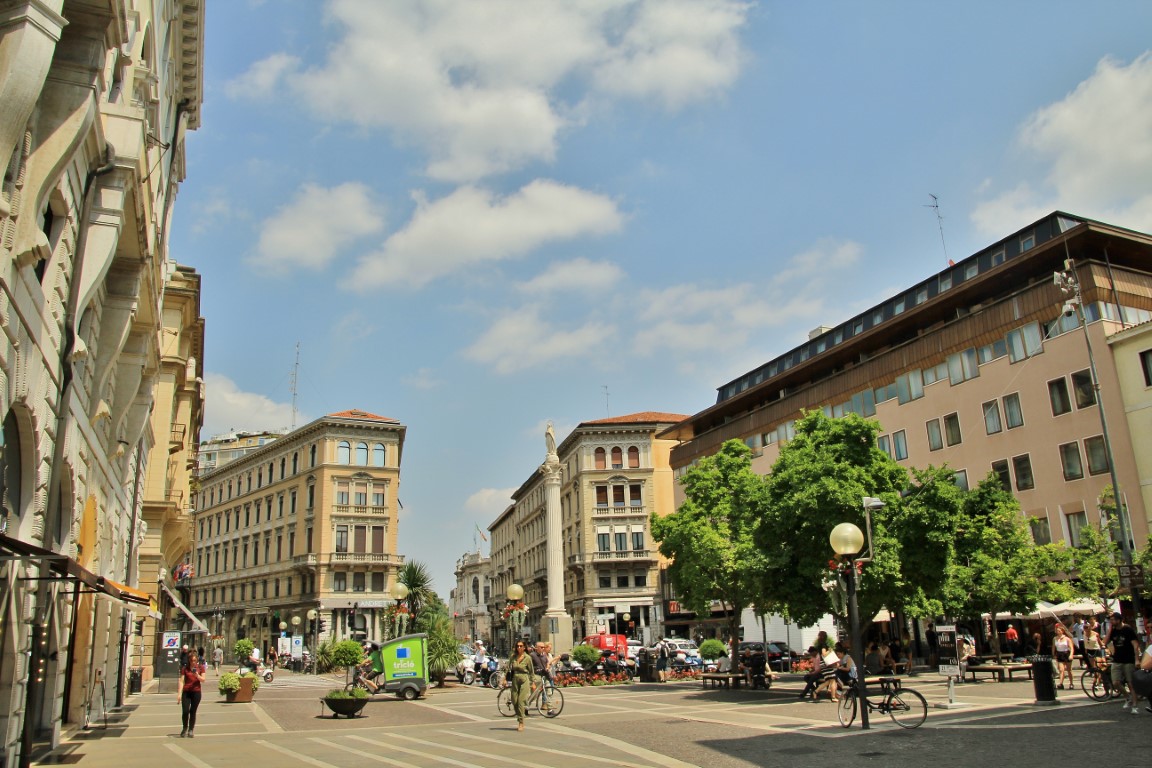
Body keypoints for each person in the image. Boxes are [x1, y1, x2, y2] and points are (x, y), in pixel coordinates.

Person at [1104, 612, 1140, 713]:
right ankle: (1127, 697)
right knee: (1115, 682)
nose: (1111, 622)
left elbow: (1135, 645)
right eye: (1110, 620)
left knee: (1130, 683)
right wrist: (1110, 630)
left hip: (1128, 659)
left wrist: (1137, 659)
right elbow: (1105, 642)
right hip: (1117, 659)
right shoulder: (1113, 630)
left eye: (1113, 620)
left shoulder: (1128, 629)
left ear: (1119, 620)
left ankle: (1135, 706)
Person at [505, 640, 538, 731]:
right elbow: (507, 668)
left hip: (524, 679)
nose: (519, 648)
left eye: (521, 646)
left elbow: (531, 671)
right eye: (517, 646)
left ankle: (521, 722)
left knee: (521, 701)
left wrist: (533, 682)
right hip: (515, 678)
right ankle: (520, 716)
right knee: (514, 700)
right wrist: (504, 678)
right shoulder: (513, 657)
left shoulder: (528, 658)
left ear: (524, 647)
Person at [177, 650, 206, 738]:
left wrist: (197, 675)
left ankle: (191, 729)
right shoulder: (185, 669)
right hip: (186, 692)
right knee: (185, 711)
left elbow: (203, 680)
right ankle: (184, 727)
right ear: (189, 660)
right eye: (191, 661)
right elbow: (181, 681)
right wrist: (179, 694)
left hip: (196, 692)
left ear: (197, 660)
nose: (193, 662)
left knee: (193, 711)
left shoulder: (200, 668)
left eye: (194, 660)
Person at [529, 642, 553, 710]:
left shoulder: (544, 655)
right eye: (541, 647)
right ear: (536, 648)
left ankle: (550, 709)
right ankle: (527, 705)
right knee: (534, 694)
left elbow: (547, 663)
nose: (543, 648)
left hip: (545, 675)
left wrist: (548, 667)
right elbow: (530, 666)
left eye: (544, 647)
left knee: (549, 692)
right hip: (537, 675)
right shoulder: (532, 655)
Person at [1052, 623, 1075, 690]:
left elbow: (1071, 648)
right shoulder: (1055, 639)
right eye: (1057, 631)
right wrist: (1053, 654)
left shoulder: (1067, 639)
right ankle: (1061, 683)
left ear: (1062, 631)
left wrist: (1071, 655)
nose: (1058, 632)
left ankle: (1071, 683)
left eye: (1059, 631)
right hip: (1059, 654)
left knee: (1069, 670)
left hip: (1066, 653)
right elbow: (1053, 647)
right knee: (1061, 669)